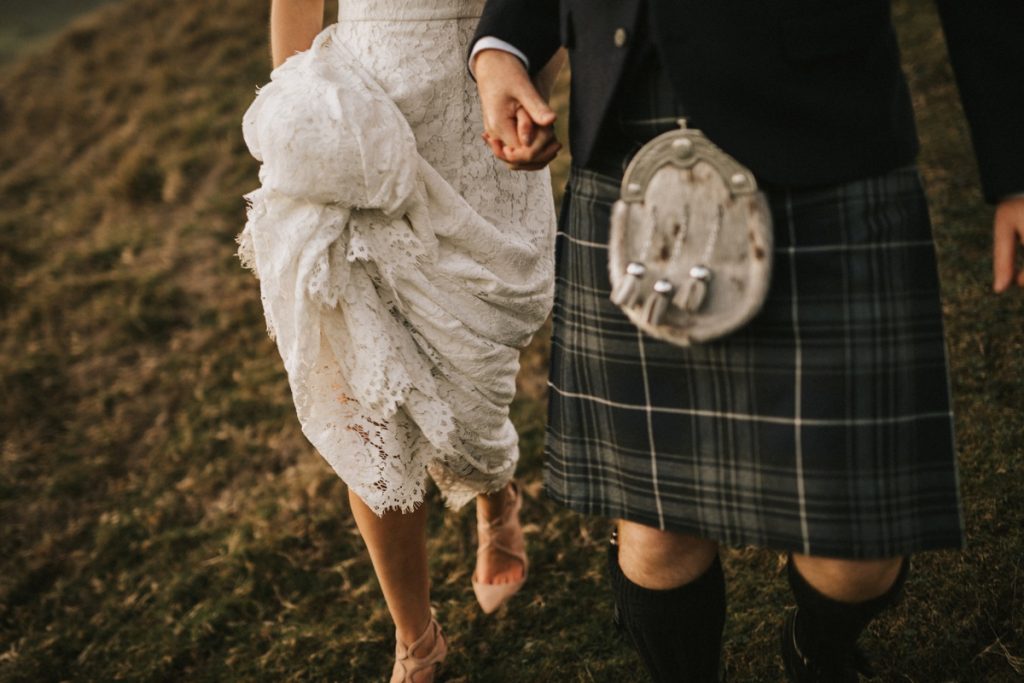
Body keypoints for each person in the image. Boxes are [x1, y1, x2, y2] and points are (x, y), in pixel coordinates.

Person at [470, 0, 1024, 680]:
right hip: (633, 128)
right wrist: (504, 44)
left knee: (859, 556)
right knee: (656, 533)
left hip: (825, 124)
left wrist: (1015, 166)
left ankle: (819, 651)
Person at [238, 1, 562, 680]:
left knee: (468, 366)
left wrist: (539, 79)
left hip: (476, 111)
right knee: (366, 401)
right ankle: (416, 636)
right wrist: (297, 115)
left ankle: (494, 488)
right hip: (359, 119)